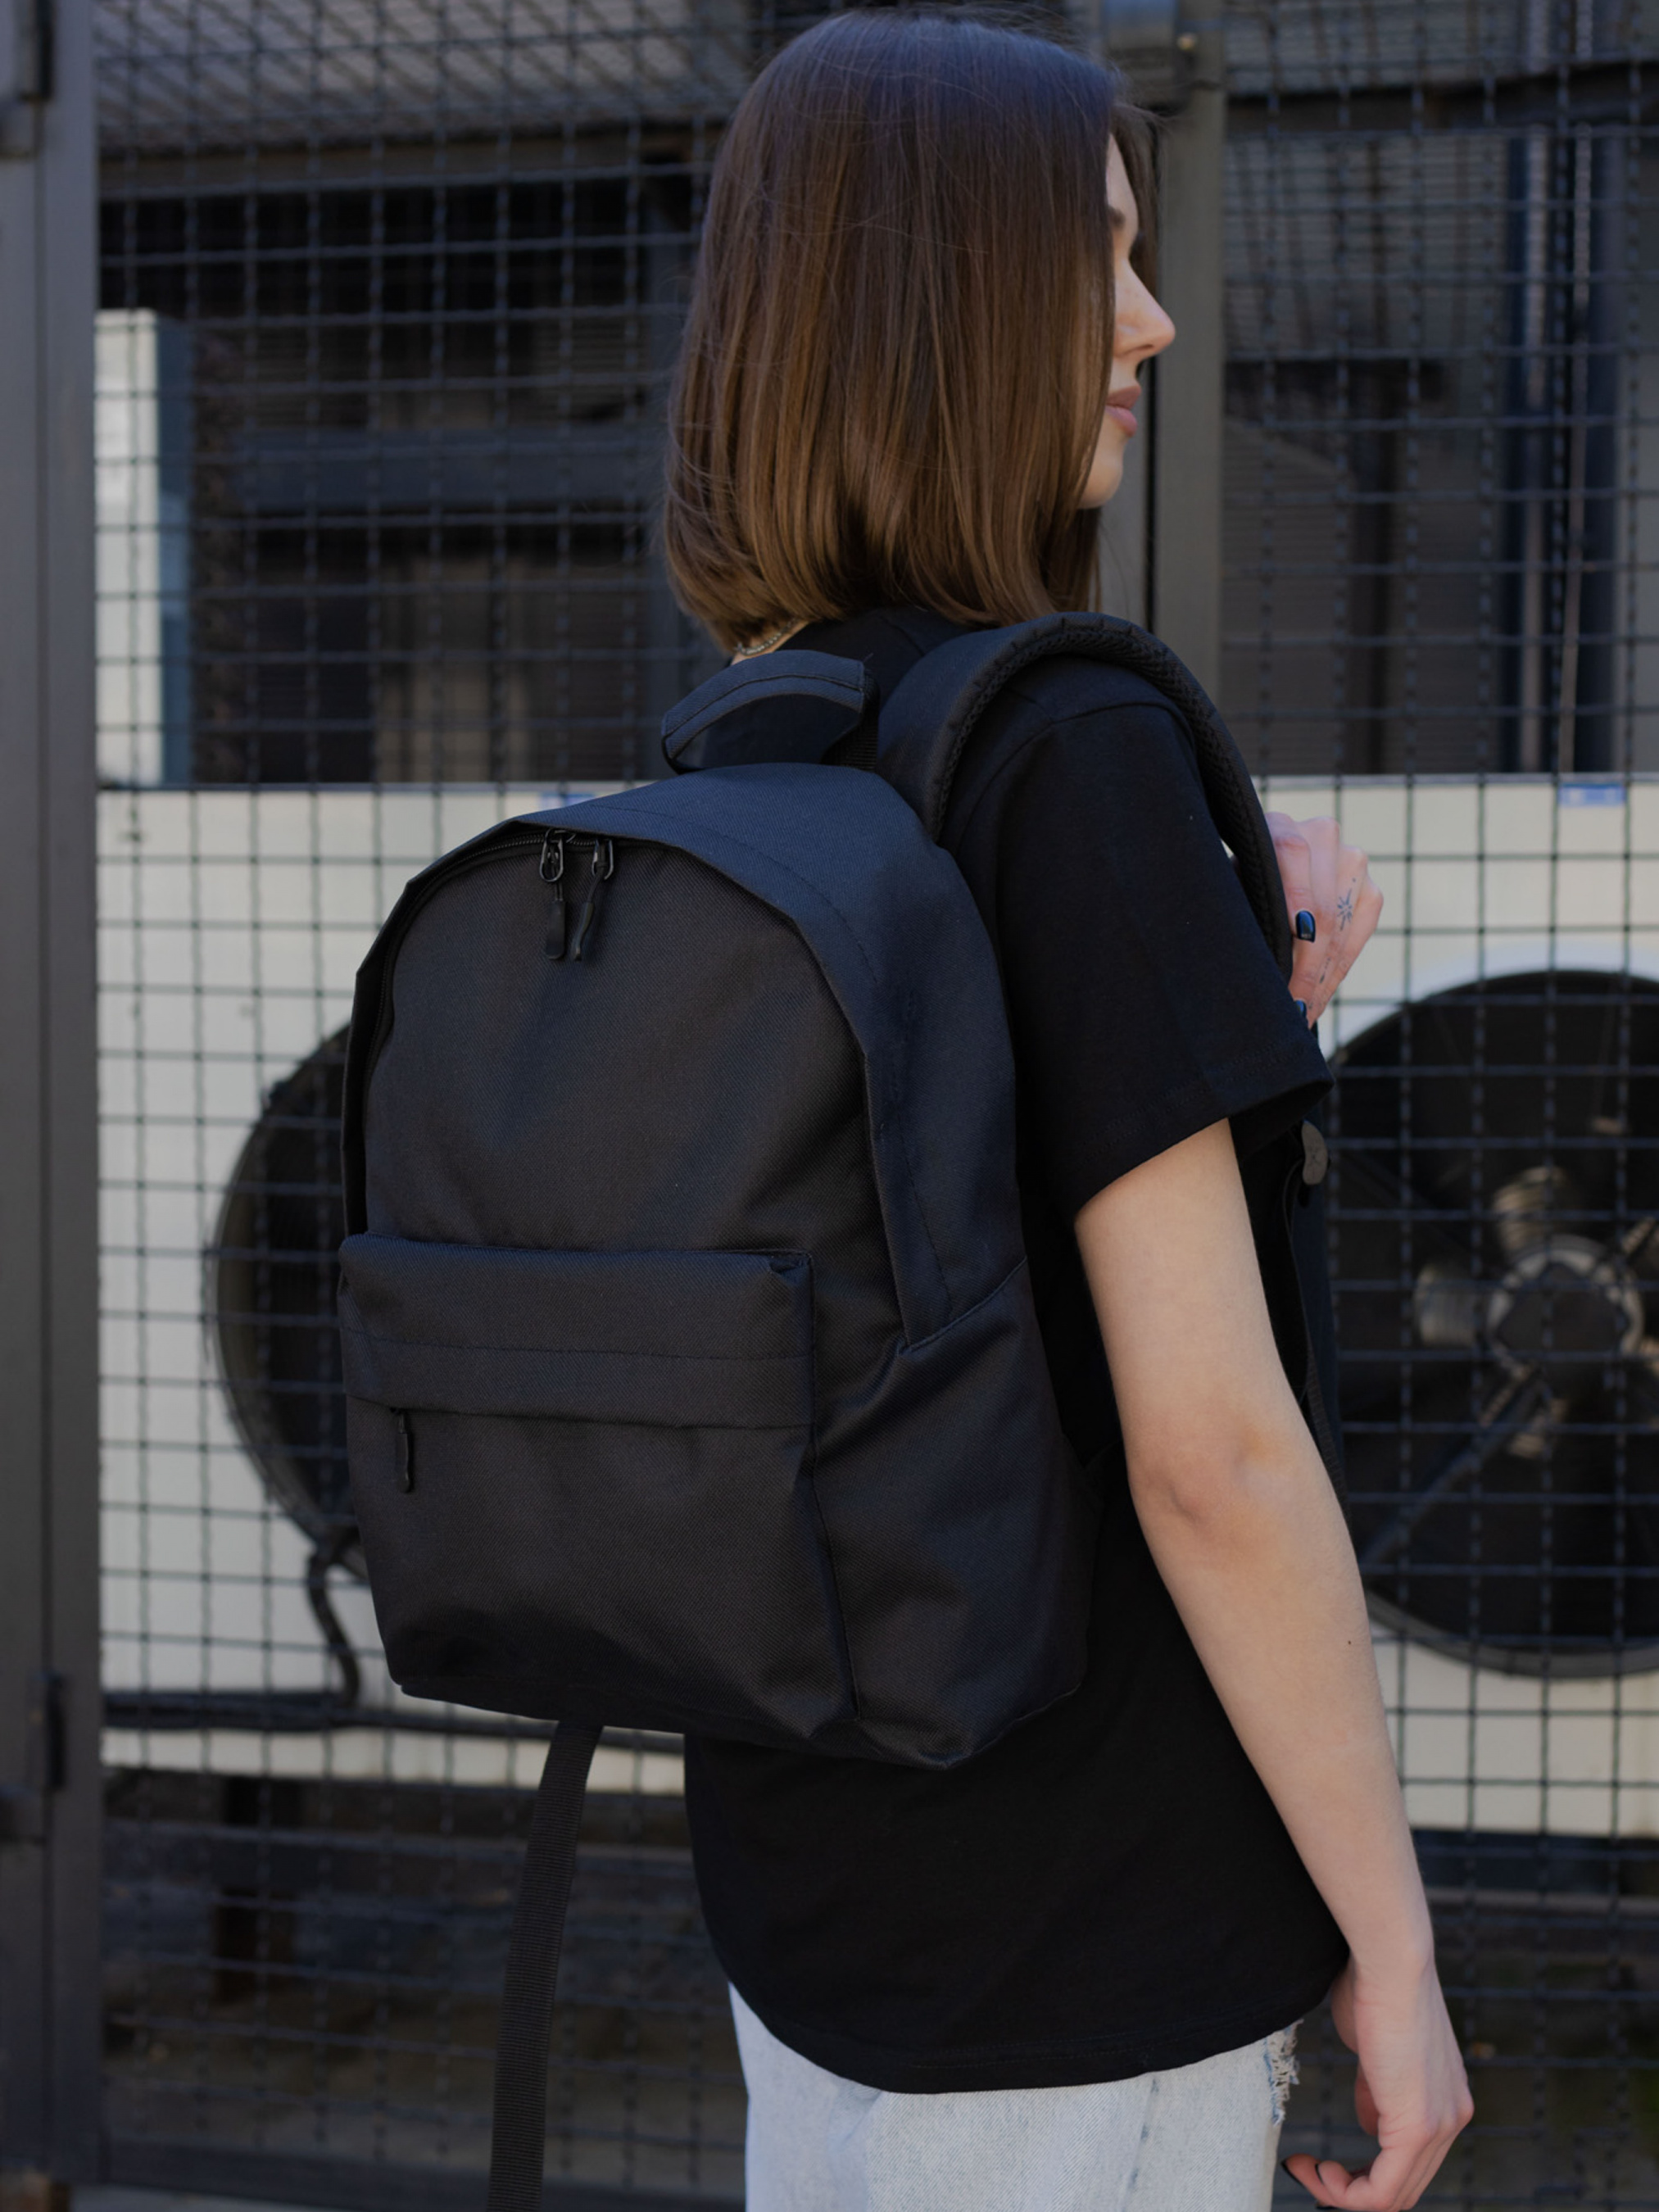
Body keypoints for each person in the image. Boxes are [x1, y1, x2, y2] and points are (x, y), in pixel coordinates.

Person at [661, 10, 1474, 2209]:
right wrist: (1393, 1943)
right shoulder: (1067, 745)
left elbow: (934, 1229)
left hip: (815, 1891)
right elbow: (1208, 1452)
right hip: (1085, 1922)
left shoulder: (758, 731)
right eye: (1094, 259)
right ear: (936, 303)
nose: (1150, 321)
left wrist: (1238, 998)